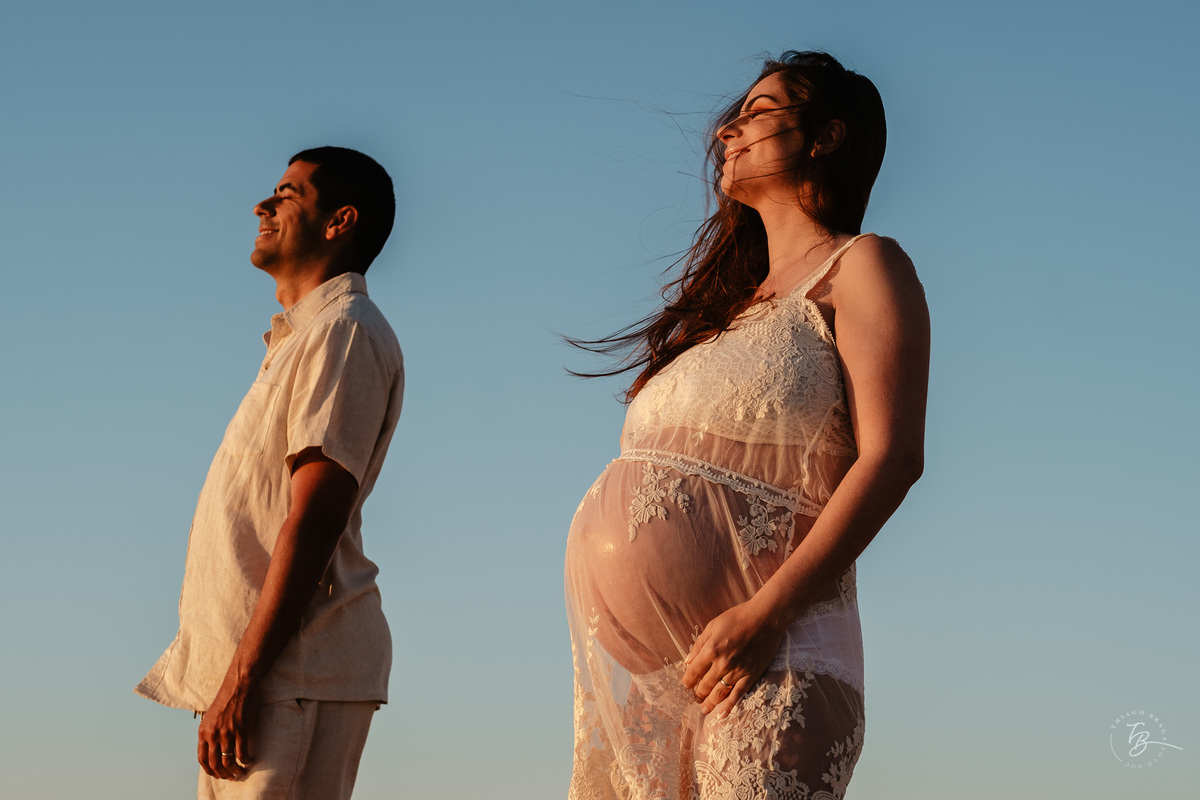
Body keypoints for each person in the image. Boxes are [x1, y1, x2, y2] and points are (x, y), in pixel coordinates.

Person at [564, 51, 929, 799]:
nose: (728, 128)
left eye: (758, 110)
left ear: (826, 135)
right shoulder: (727, 313)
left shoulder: (862, 266)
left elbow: (892, 458)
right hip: (661, 688)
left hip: (776, 649)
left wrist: (764, 616)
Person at [136, 146, 405, 800]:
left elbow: (313, 516)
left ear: (340, 221)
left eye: (287, 194)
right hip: (266, 676)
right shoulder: (302, 340)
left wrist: (245, 679)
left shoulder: (342, 332)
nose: (262, 205)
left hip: (294, 672)